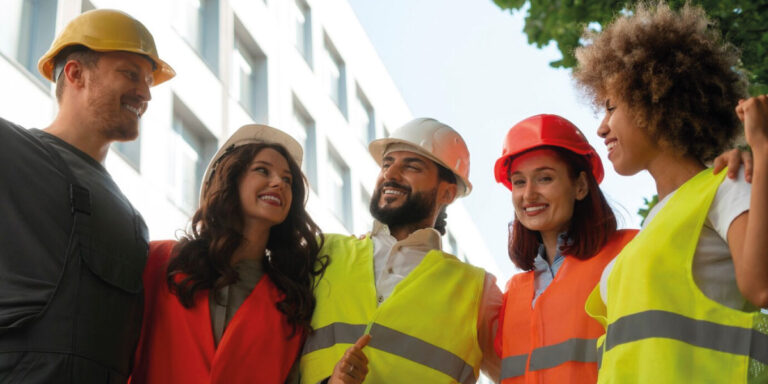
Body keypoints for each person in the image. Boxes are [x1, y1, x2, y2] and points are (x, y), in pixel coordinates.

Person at [572, 2, 768, 382]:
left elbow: (760, 286)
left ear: (656, 99)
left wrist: (762, 147)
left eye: (611, 107)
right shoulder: (654, 228)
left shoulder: (727, 182)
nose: (601, 128)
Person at [0, 9, 174, 383]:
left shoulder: (132, 221)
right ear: (76, 73)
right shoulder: (10, 150)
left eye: (147, 81)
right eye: (130, 74)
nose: (145, 93)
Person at [299, 118, 502, 384]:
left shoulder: (477, 289)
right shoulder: (324, 251)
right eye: (387, 163)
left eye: (411, 166)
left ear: (448, 193)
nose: (390, 175)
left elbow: (526, 374)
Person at [131, 124, 327, 383]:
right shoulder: (160, 260)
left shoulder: (290, 305)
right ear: (231, 179)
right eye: (262, 170)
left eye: (287, 180)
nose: (279, 182)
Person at [492, 114, 636, 384]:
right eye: (519, 182)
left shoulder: (627, 252)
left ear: (580, 186)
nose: (528, 194)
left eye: (544, 178)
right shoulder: (513, 293)